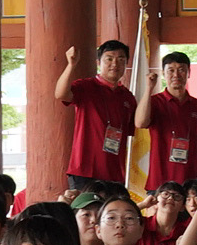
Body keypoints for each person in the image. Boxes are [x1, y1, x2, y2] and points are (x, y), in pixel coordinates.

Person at [55, 40, 141, 189]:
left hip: (114, 173)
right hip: (84, 170)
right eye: (109, 59)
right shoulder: (86, 86)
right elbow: (61, 94)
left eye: (121, 59)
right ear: (99, 62)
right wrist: (71, 65)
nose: (115, 64)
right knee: (85, 212)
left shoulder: (128, 97)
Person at [134, 51, 197, 195]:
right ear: (163, 74)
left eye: (181, 70)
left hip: (191, 180)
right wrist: (149, 88)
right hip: (160, 180)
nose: (176, 75)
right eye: (171, 70)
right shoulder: (155, 102)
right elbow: (140, 122)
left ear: (189, 73)